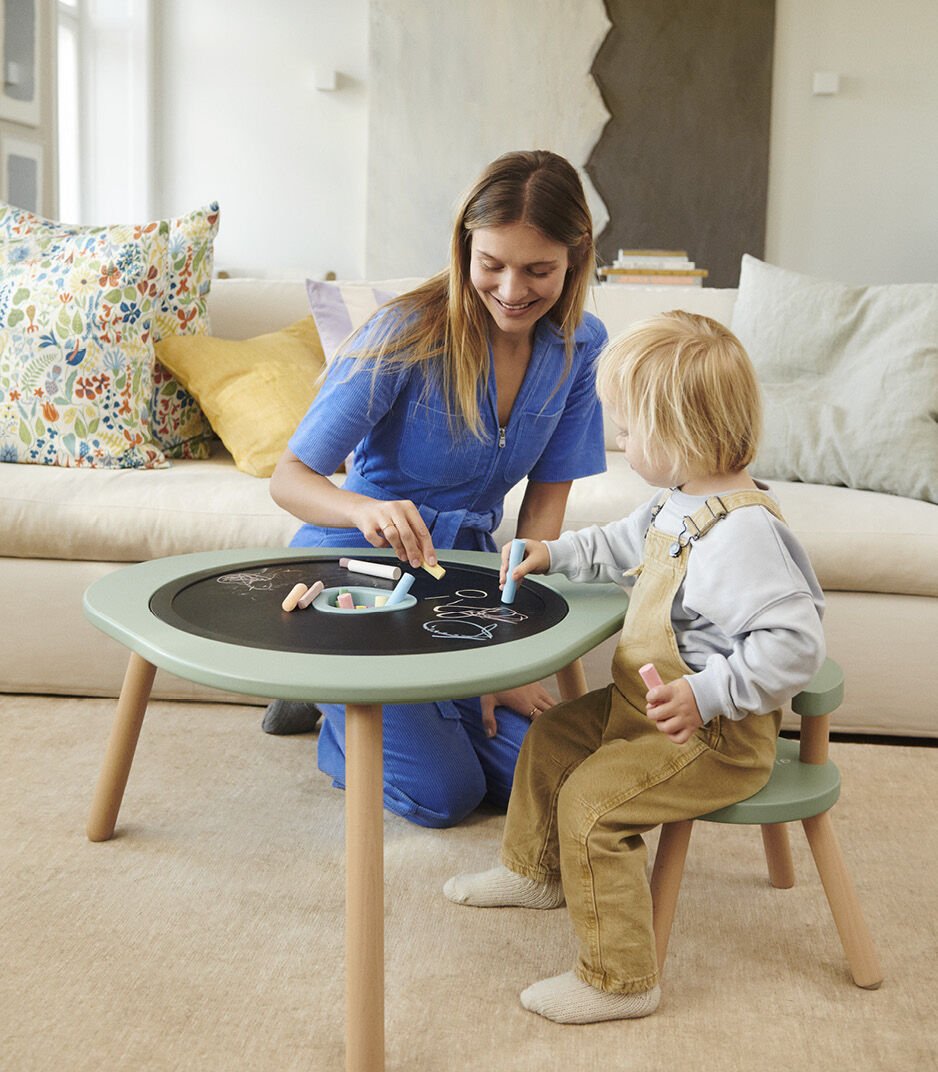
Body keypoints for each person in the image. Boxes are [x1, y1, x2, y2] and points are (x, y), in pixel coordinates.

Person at [443, 310, 826, 1022]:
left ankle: (620, 979)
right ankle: (534, 872)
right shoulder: (680, 500)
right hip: (646, 709)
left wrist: (710, 696)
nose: (619, 440)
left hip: (712, 737)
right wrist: (553, 553)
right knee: (553, 738)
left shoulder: (741, 534)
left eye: (628, 427)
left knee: (592, 804)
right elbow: (627, 541)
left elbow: (796, 645)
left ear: (680, 433)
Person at [264, 150, 608, 828]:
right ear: (464, 249)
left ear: (574, 257)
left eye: (538, 269)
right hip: (351, 575)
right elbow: (290, 479)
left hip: (459, 578)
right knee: (444, 794)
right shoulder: (408, 332)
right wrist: (364, 508)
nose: (513, 289)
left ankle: (384, 709)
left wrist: (500, 656)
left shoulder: (579, 344)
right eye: (492, 265)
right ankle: (338, 721)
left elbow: (544, 507)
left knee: (552, 783)